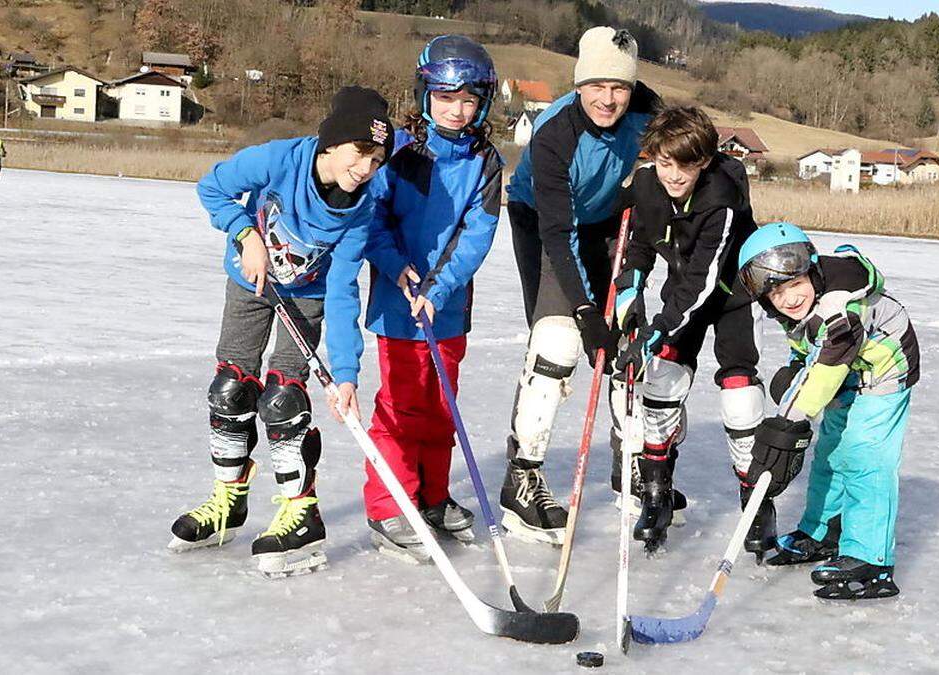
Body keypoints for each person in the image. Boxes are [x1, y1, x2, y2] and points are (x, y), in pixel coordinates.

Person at [167, 86, 395, 578]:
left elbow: (342, 290)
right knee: (230, 388)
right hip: (249, 279)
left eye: (377, 159)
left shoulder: (361, 208)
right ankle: (229, 499)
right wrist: (246, 234)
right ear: (333, 143)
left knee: (283, 399)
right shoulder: (280, 160)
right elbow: (213, 187)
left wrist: (349, 373)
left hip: (306, 296)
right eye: (360, 153)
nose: (367, 168)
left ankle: (302, 512)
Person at [501, 26, 661, 544]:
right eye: (596, 86)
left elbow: (691, 151)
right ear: (578, 85)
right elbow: (557, 231)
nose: (608, 99)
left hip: (608, 221)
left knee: (626, 337)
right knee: (558, 340)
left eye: (619, 88)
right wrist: (586, 311)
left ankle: (629, 467)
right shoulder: (555, 135)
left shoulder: (648, 111)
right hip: (545, 221)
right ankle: (522, 479)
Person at [350, 35, 502, 562]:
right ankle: (390, 504)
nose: (456, 111)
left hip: (449, 305)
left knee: (441, 405)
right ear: (424, 96)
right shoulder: (397, 151)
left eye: (467, 101)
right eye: (444, 98)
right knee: (400, 405)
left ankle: (432, 498)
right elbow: (372, 222)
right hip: (399, 304)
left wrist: (439, 287)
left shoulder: (485, 161)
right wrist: (398, 270)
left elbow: (477, 233)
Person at [609, 106, 764, 555]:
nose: (675, 175)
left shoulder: (722, 197)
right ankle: (657, 495)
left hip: (731, 293)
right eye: (665, 163)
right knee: (662, 380)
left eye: (687, 164)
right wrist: (630, 285)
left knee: (739, 395)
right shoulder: (645, 185)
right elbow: (638, 241)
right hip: (682, 293)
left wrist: (655, 333)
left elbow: (705, 279)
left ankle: (755, 501)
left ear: (705, 161)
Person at [737, 222, 920, 599]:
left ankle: (870, 558)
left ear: (813, 270)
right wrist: (793, 370)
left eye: (794, 285)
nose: (789, 299)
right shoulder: (799, 306)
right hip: (847, 375)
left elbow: (828, 366)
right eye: (776, 293)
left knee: (865, 458)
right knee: (830, 455)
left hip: (884, 372)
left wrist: (787, 423)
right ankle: (822, 533)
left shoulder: (841, 307)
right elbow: (810, 344)